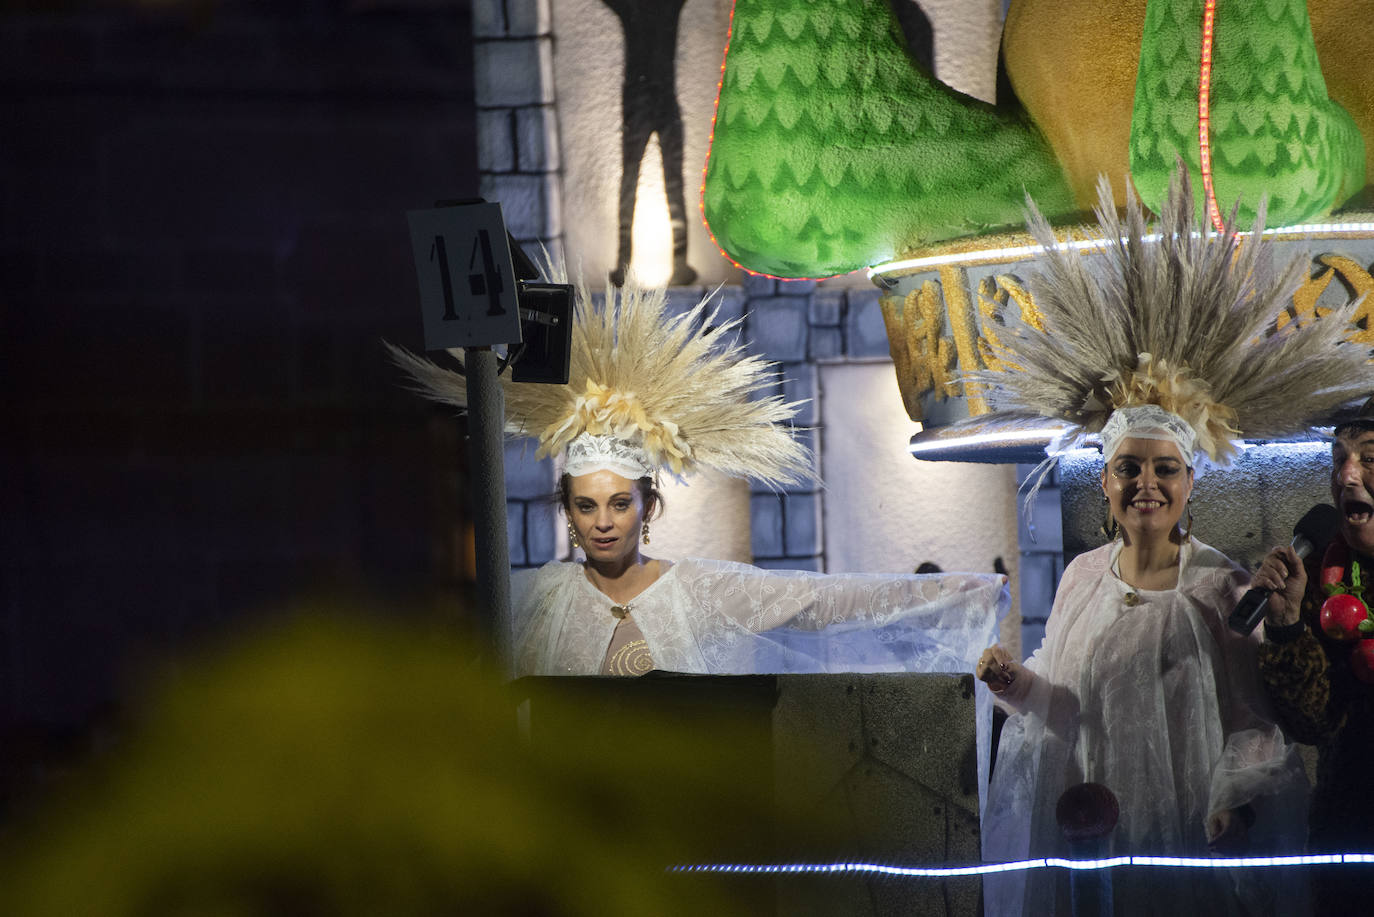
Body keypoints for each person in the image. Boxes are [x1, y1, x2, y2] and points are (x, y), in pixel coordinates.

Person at [963, 168, 1371, 915]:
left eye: (1164, 469)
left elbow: (1255, 727)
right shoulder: (1082, 577)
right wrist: (1009, 682)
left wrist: (1233, 809)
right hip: (1097, 839)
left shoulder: (1224, 586)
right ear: (1108, 480)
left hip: (1189, 844)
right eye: (1128, 468)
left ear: (1189, 481)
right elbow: (1066, 709)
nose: (1145, 484)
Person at [391, 276, 1009, 681]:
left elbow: (819, 601)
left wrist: (954, 592)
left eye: (617, 503)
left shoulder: (698, 592)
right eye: (585, 506)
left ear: (648, 506)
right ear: (567, 511)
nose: (602, 522)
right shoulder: (535, 599)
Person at [1252, 405, 1374, 913]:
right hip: (1351, 832)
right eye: (1339, 459)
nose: (1348, 475)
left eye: (1369, 459)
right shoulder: (1322, 575)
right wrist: (1285, 625)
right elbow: (1314, 723)